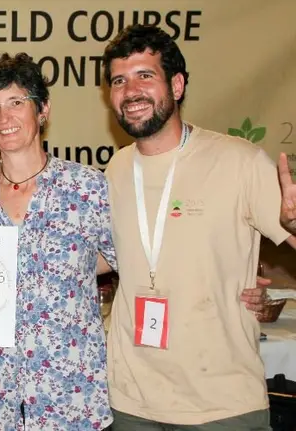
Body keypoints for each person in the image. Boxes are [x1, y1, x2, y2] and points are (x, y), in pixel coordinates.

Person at [102, 24, 296, 429]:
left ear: (176, 84)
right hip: (131, 401)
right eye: (119, 81)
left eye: (145, 76)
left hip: (222, 406)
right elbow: (102, 258)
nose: (131, 91)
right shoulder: (115, 169)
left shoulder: (240, 162)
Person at [0, 52, 117, 431]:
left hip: (71, 403)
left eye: (17, 102)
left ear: (43, 110)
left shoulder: (88, 188)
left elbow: (130, 265)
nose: (5, 118)